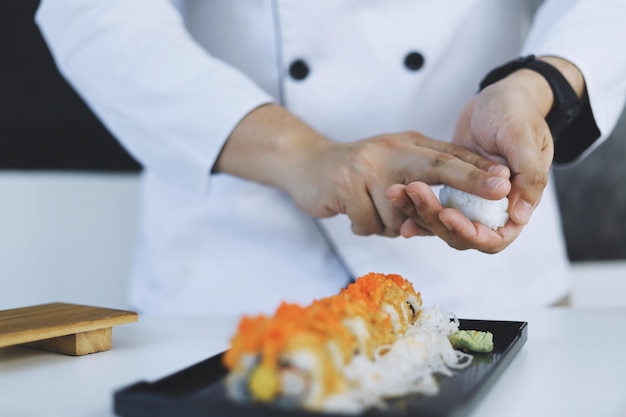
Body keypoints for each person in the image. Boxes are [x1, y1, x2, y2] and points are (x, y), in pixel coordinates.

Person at [35, 0, 626, 315]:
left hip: (484, 290)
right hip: (233, 281)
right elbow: (92, 12)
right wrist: (301, 154)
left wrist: (538, 84)